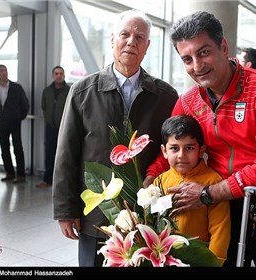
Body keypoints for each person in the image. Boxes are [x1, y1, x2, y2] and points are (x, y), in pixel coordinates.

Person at [145, 11, 256, 267]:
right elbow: (168, 149)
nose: (197, 66)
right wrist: (148, 184)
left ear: (223, 47)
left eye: (204, 52)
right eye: (187, 59)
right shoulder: (187, 101)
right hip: (223, 204)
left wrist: (210, 193)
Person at [52, 10, 178, 267]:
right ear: (112, 40)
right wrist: (66, 211)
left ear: (147, 46)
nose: (131, 41)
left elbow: (171, 154)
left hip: (145, 216)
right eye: (125, 34)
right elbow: (66, 153)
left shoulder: (165, 96)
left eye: (139, 37)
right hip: (96, 214)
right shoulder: (83, 91)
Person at [155, 114, 230, 266]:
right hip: (163, 258)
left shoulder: (212, 182)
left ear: (201, 150)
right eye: (174, 148)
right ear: (164, 151)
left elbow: (220, 229)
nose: (182, 155)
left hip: (198, 259)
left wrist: (214, 262)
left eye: (189, 148)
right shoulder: (160, 181)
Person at [0, 64, 30, 184]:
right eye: (1, 71)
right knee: (4, 147)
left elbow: (25, 104)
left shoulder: (16, 87)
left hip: (14, 121)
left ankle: (21, 175)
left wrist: (20, 116)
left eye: (5, 70)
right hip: (2, 121)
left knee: (18, 147)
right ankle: (9, 173)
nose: (4, 73)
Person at [36, 66, 70, 189]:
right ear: (53, 76)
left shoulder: (69, 90)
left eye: (61, 73)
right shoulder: (47, 91)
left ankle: (63, 182)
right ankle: (47, 179)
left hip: (65, 128)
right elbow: (43, 106)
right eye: (56, 73)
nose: (59, 75)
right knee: (49, 154)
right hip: (50, 128)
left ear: (64, 75)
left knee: (65, 155)